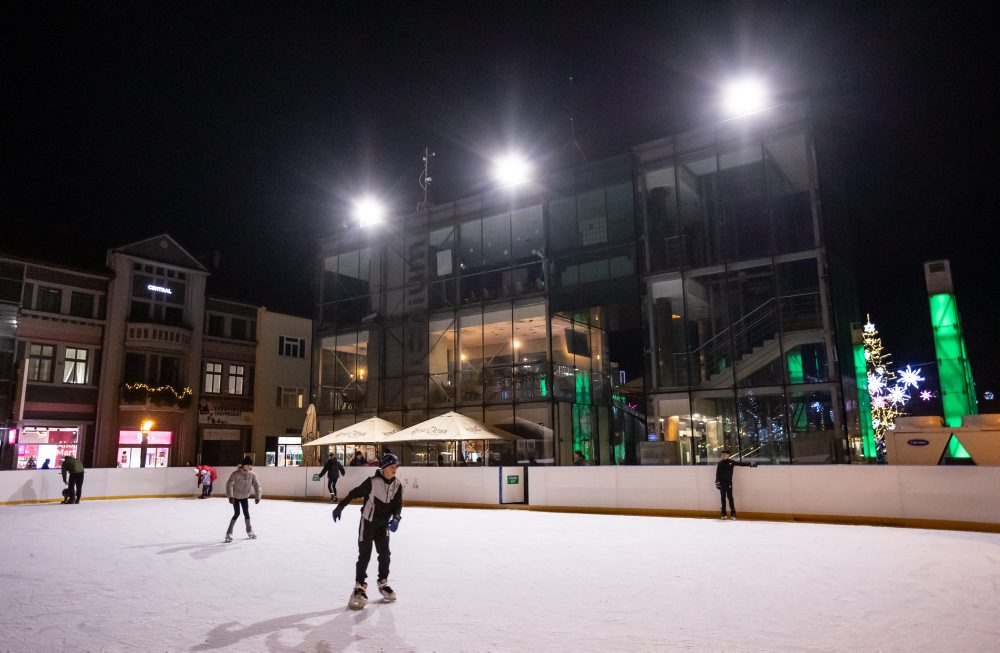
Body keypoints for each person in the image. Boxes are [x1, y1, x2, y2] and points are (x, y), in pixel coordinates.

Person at [332, 453, 403, 609]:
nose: (395, 469)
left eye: (396, 466)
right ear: (384, 467)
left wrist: (396, 518)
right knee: (364, 555)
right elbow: (354, 493)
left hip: (383, 525)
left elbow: (398, 506)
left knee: (385, 554)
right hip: (368, 523)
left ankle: (383, 582)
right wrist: (340, 507)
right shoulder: (372, 482)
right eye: (392, 466)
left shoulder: (397, 485)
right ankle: (359, 586)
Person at [224, 456, 262, 542]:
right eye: (247, 465)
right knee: (237, 513)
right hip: (235, 497)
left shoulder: (252, 474)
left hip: (245, 497)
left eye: (250, 465)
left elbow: (257, 485)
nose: (249, 467)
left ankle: (249, 531)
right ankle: (229, 533)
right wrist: (230, 496)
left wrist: (258, 496)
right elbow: (229, 485)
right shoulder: (235, 474)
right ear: (243, 465)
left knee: (246, 513)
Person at [715, 449, 757, 520]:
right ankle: (723, 512)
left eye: (725, 454)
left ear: (728, 455)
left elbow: (741, 464)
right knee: (723, 498)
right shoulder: (720, 463)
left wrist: (750, 464)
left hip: (729, 483)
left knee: (730, 497)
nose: (723, 455)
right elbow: (717, 473)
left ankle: (733, 512)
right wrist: (717, 482)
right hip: (722, 483)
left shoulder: (731, 462)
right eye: (722, 454)